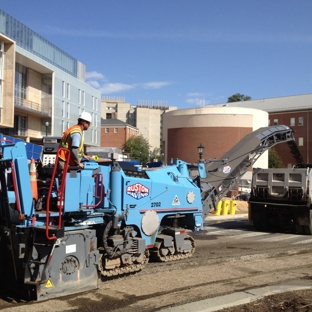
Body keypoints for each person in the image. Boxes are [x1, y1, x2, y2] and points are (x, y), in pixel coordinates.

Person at [58, 112, 92, 177]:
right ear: (84, 123)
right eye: (88, 123)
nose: (89, 125)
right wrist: (78, 163)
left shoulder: (75, 129)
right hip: (67, 162)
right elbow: (74, 150)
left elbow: (74, 147)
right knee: (68, 182)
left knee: (69, 182)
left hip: (67, 161)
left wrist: (83, 155)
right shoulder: (77, 133)